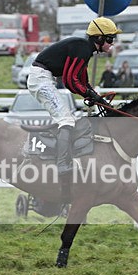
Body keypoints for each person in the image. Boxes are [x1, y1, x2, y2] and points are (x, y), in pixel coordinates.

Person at [26, 17, 119, 201]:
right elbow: (70, 81)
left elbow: (82, 81)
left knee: (68, 118)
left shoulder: (84, 49)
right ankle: (62, 165)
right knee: (66, 119)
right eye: (110, 39)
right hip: (41, 79)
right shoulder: (82, 48)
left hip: (44, 78)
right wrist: (89, 95)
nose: (112, 43)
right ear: (99, 38)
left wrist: (95, 97)